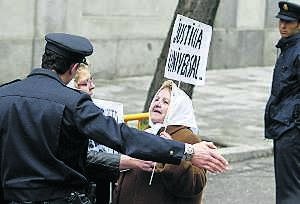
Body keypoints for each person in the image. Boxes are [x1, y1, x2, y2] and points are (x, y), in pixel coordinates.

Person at [0, 32, 228, 203]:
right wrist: (187, 151)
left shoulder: (4, 95)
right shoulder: (72, 102)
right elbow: (120, 135)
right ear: (73, 68)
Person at [113, 80, 207, 204]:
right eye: (156, 99)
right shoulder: (148, 132)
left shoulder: (189, 139)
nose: (157, 104)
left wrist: (171, 151)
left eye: (165, 102)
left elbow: (194, 184)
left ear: (178, 109)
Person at [73, 64, 154, 204]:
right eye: (85, 83)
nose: (92, 86)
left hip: (102, 183)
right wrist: (130, 162)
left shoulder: (99, 110)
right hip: (82, 186)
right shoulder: (71, 115)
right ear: (73, 87)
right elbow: (87, 157)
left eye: (92, 80)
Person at [265, 1, 300, 204]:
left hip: (290, 129)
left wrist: (294, 123)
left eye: (289, 22)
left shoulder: (296, 50)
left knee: (289, 192)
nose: (283, 26)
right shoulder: (288, 47)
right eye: (281, 21)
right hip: (286, 126)